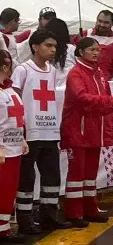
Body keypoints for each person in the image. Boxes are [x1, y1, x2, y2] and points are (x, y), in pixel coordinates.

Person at [61, 37, 113, 227]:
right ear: (80, 52)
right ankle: (74, 211)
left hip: (95, 129)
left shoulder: (99, 74)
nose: (96, 53)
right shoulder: (75, 74)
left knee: (90, 173)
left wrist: (110, 120)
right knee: (77, 173)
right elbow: (82, 98)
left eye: (98, 50)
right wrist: (111, 102)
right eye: (91, 50)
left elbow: (103, 99)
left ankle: (90, 207)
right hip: (78, 130)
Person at [12, 29, 68, 231]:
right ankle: (25, 219)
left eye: (54, 46)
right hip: (30, 131)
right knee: (27, 177)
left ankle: (48, 215)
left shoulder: (52, 71)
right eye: (48, 45)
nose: (53, 50)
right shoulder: (23, 70)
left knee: (52, 176)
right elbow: (16, 99)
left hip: (50, 131)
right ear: (35, 46)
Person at [0, 49, 28, 243]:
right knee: (2, 189)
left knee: (9, 190)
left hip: (15, 148)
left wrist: (22, 140)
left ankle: (4, 226)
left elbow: (16, 120)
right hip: (3, 150)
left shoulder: (10, 91)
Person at [86, 10, 113, 80]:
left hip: (108, 81)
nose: (102, 24)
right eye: (100, 21)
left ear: (112, 23)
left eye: (106, 22)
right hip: (87, 79)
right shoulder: (85, 34)